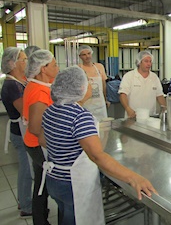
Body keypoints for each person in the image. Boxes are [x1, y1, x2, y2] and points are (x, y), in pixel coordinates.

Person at [40, 66, 157, 225]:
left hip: (54, 178)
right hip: (73, 184)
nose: (90, 86)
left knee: (66, 216)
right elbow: (97, 156)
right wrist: (133, 177)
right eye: (87, 82)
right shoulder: (80, 116)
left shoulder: (51, 110)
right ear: (80, 88)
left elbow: (43, 139)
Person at [23, 50, 59, 225]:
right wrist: (55, 146)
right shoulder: (39, 92)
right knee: (43, 184)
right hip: (38, 145)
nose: (57, 67)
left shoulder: (42, 84)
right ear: (43, 69)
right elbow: (36, 128)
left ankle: (40, 217)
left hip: (35, 143)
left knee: (40, 182)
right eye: (54, 65)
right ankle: (40, 220)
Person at [1, 47, 32, 218]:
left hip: (23, 129)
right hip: (20, 132)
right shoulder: (11, 85)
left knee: (27, 168)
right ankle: (26, 205)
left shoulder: (20, 81)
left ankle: (24, 199)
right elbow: (25, 111)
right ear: (12, 63)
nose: (26, 62)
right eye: (24, 59)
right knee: (26, 169)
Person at [118, 51, 166, 118]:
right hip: (133, 116)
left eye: (150, 61)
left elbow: (160, 96)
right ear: (139, 62)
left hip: (150, 117)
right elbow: (123, 95)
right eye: (146, 61)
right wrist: (128, 109)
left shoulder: (154, 77)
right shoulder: (129, 76)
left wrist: (165, 110)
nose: (149, 64)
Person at [78, 45, 108, 122]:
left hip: (100, 104)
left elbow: (103, 84)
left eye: (88, 53)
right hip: (86, 105)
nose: (87, 56)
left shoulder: (99, 66)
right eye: (84, 55)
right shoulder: (78, 69)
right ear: (80, 56)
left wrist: (105, 99)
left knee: (103, 126)